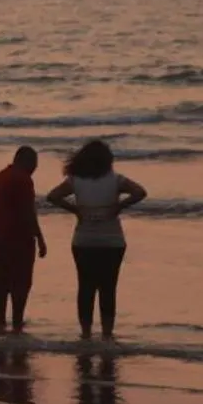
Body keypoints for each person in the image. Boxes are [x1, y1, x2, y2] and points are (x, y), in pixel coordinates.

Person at [46, 140, 147, 340]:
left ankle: (86, 333)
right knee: (108, 289)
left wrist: (75, 210)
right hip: (112, 241)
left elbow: (53, 196)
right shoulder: (116, 180)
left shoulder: (76, 180)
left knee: (86, 288)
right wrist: (119, 206)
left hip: (84, 240)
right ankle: (107, 334)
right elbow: (140, 192)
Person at [0, 146, 48, 332]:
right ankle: (17, 320)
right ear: (26, 161)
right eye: (34, 164)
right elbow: (28, 211)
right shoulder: (23, 180)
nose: (35, 168)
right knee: (21, 282)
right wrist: (40, 237)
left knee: (1, 281)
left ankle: (1, 321)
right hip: (19, 237)